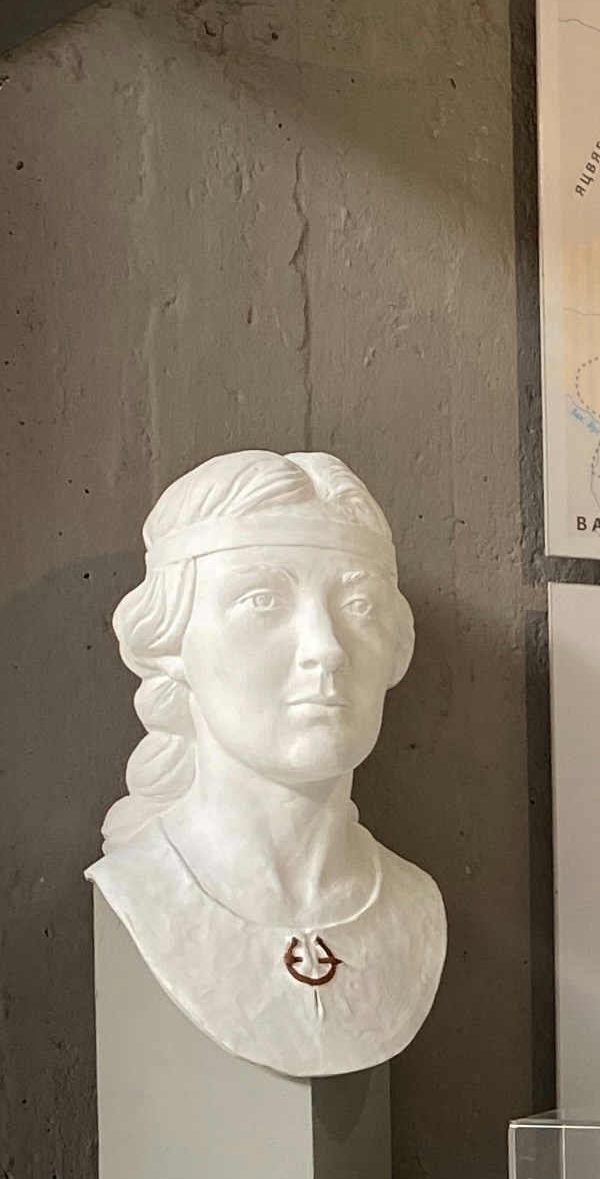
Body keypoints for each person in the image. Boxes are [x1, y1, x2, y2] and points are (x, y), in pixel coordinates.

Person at [90, 447, 444, 1078]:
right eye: (261, 601)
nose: (326, 648)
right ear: (170, 644)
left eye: (359, 606)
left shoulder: (413, 905)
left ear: (397, 649)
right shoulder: (141, 890)